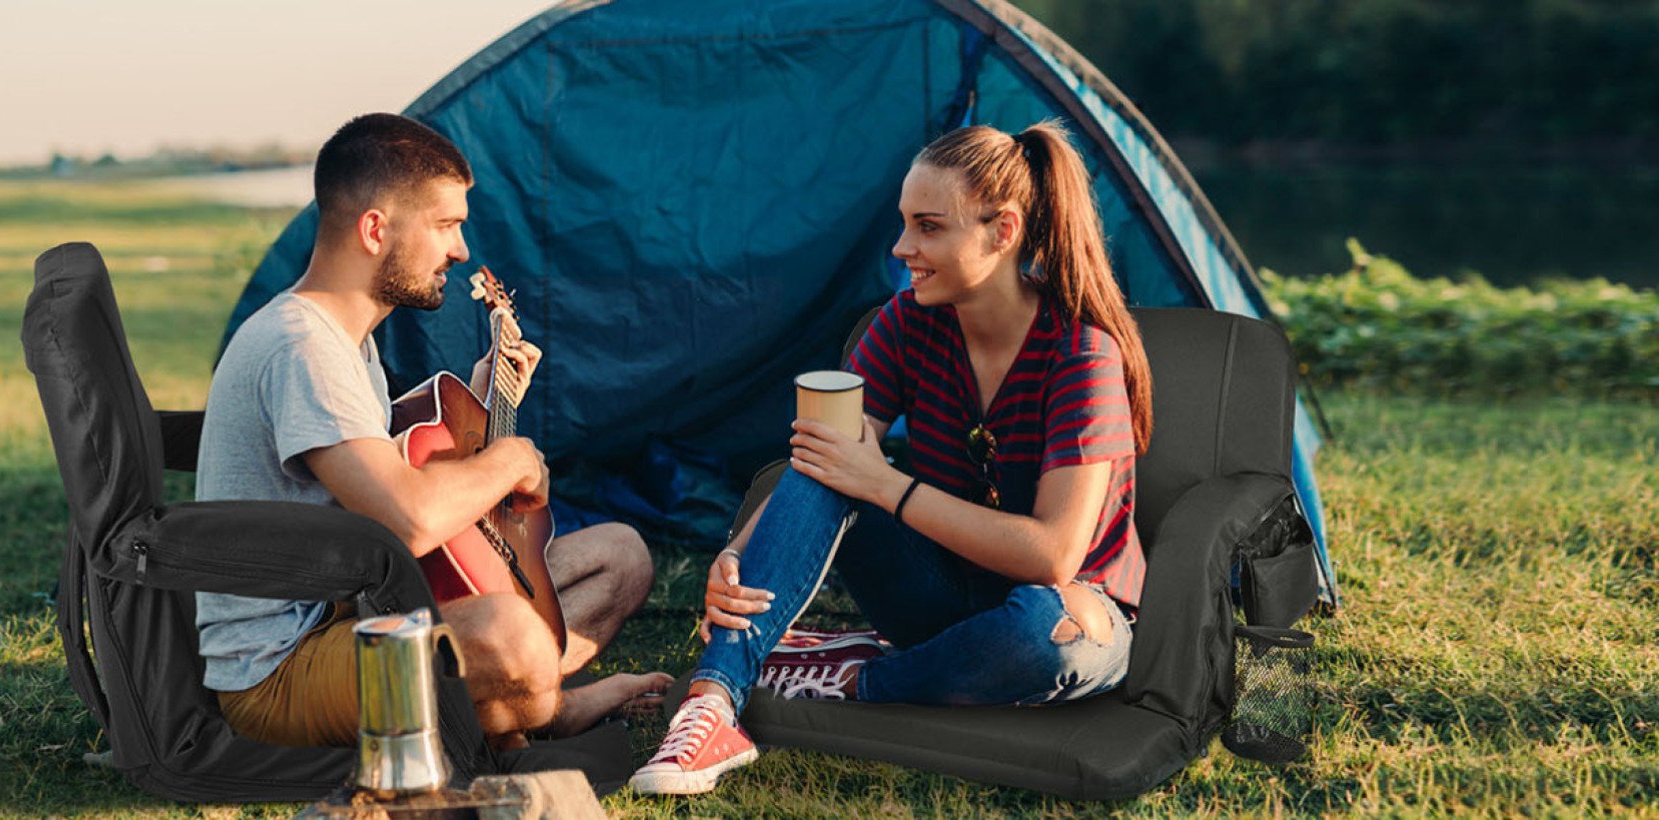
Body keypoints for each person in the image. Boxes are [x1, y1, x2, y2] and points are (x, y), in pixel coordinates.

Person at [630, 121, 1155, 795]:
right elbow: (823, 467)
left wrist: (886, 485)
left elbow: (1052, 555)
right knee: (827, 453)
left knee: (1042, 637)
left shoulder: (1080, 355)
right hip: (937, 593)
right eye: (905, 224)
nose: (902, 248)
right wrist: (738, 552)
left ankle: (851, 675)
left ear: (1003, 230)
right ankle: (713, 702)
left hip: (1067, 614)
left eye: (929, 228)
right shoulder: (907, 321)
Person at [195, 113, 672, 752]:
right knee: (511, 635)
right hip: (284, 666)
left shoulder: (345, 343)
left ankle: (519, 699)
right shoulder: (301, 347)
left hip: (362, 609)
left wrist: (485, 402)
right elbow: (409, 518)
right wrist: (511, 458)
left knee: (621, 557)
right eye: (446, 225)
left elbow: (391, 473)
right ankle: (545, 706)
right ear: (374, 229)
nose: (461, 250)